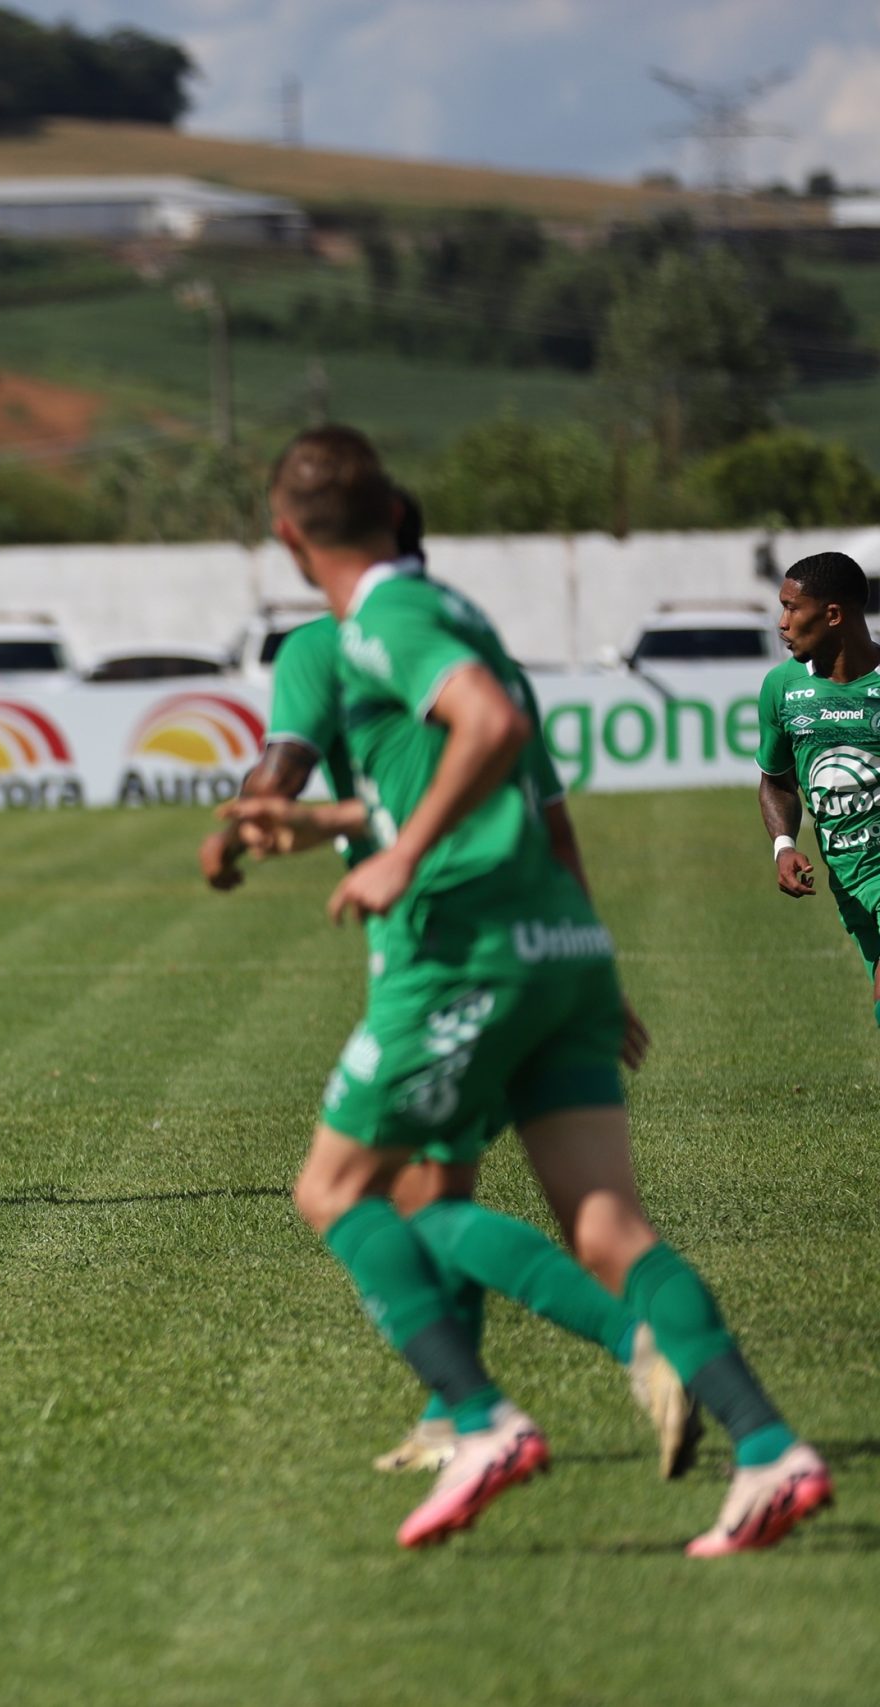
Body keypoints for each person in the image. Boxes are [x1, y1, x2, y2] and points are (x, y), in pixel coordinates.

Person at [258, 425, 827, 1553]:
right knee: (597, 1222)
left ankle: (481, 1418)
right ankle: (766, 1449)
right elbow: (517, 790)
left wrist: (396, 854)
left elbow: (487, 731)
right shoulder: (464, 621)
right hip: (555, 942)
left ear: (287, 537)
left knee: (340, 1193)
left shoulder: (377, 622)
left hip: (460, 951)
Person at [203, 493, 691, 1481]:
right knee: (441, 1184)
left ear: (307, 543)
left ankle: (615, 1350)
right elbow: (553, 826)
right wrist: (591, 964)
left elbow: (285, 761)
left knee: (385, 1195)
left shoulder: (327, 643)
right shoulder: (472, 641)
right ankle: (451, 1411)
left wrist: (244, 820)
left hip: (435, 960)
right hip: (544, 948)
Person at [756, 551, 880, 1029]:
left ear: (832, 615)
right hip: (849, 878)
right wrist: (784, 847)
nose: (782, 623)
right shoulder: (782, 687)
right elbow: (777, 779)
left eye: (792, 608)